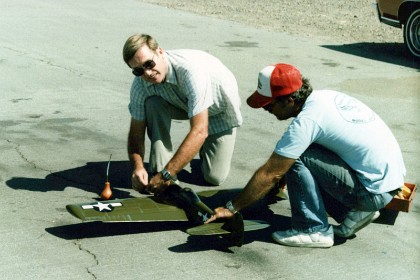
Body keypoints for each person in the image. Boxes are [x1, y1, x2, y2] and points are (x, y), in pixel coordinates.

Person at [206, 63, 406, 248]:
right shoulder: (324, 98)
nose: (266, 109)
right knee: (298, 154)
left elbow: (271, 172)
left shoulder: (307, 121)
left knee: (296, 156)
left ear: (290, 100)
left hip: (372, 192)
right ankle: (354, 214)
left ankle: (312, 229)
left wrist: (232, 208)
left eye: (269, 104)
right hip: (389, 182)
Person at [122, 34, 242, 194]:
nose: (148, 73)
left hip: (217, 111)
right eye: (139, 70)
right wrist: (137, 167)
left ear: (160, 52)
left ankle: (173, 168)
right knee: (152, 103)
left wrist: (168, 173)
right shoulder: (140, 84)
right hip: (183, 103)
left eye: (149, 64)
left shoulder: (191, 72)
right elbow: (136, 132)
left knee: (214, 177)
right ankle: (160, 168)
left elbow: (200, 131)